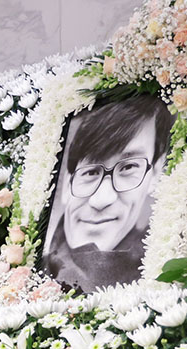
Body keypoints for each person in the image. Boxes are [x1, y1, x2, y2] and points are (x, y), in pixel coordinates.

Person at [42, 94, 174, 292]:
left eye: (128, 167)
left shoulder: (167, 275)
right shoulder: (32, 269)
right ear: (68, 183)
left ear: (155, 173)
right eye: (90, 172)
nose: (101, 200)